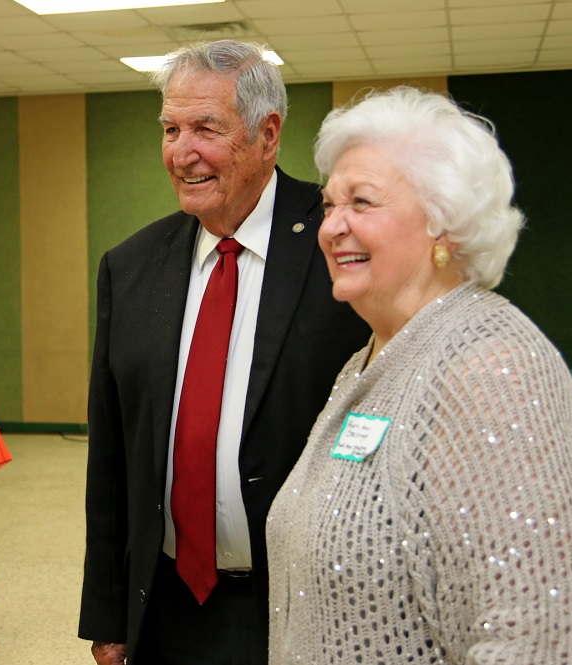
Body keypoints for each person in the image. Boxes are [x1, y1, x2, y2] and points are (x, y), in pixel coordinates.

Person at [266, 86, 572, 664]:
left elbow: (541, 639)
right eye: (328, 205)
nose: (331, 228)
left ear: (443, 224)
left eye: (362, 203)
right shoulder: (369, 361)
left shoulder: (491, 369)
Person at [79, 40, 371, 665]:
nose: (182, 152)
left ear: (268, 135)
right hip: (166, 603)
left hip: (304, 604)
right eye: (170, 129)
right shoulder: (129, 268)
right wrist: (108, 614)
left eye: (206, 129)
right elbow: (111, 457)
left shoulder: (340, 244)